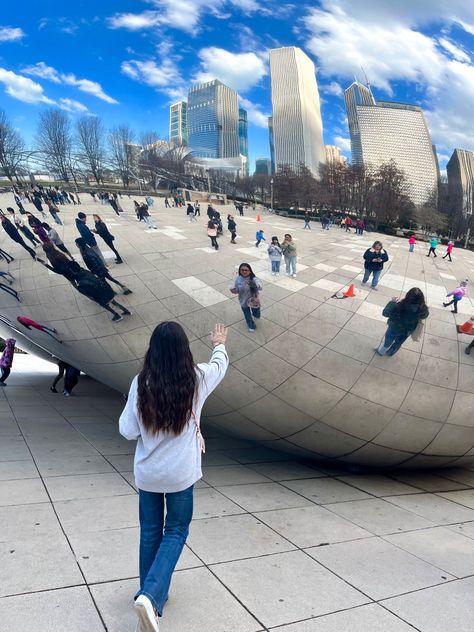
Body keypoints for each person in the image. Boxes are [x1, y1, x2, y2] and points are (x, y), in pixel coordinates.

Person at [119, 321, 229, 632]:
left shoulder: (141, 382)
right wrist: (218, 342)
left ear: (152, 349)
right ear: (184, 350)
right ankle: (151, 596)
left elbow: (127, 430)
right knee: (176, 531)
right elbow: (220, 365)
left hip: (149, 474)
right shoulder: (196, 379)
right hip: (181, 474)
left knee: (150, 532)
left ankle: (150, 599)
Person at [377, 288, 429, 356]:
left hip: (394, 328)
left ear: (408, 296)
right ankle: (391, 353)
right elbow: (424, 316)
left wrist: (392, 302)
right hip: (407, 330)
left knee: (388, 340)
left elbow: (385, 313)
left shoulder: (398, 306)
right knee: (398, 342)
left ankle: (381, 351)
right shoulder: (423, 309)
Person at [230, 263, 262, 332]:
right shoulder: (238, 279)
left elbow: (259, 286)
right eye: (242, 270)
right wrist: (233, 290)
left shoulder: (253, 278)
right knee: (247, 315)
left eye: (246, 270)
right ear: (239, 270)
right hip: (243, 300)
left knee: (256, 314)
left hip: (253, 301)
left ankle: (256, 315)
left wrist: (255, 285)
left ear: (250, 271)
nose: (244, 271)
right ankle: (251, 326)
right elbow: (237, 290)